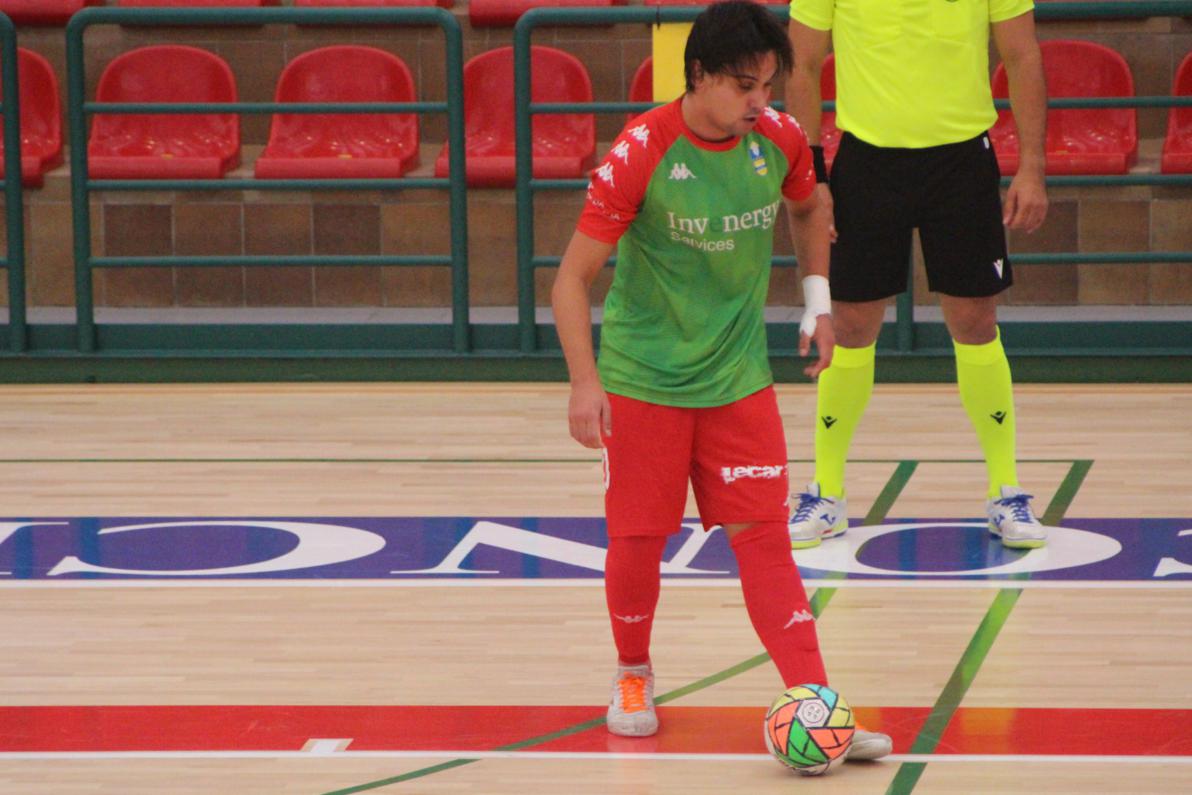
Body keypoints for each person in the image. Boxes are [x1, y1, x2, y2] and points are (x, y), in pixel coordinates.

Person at [551, 0, 891, 761]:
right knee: (638, 538)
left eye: (768, 85)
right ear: (699, 74)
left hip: (739, 379)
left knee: (765, 539)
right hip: (644, 379)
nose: (759, 102)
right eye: (744, 86)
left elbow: (810, 206)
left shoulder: (779, 139)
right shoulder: (642, 150)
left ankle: (816, 704)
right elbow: (570, 280)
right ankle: (632, 673)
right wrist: (584, 382)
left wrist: (817, 302)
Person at [785, 0, 1051, 550]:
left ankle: (1006, 491)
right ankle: (826, 493)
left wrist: (1032, 166)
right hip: (866, 161)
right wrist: (814, 175)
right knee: (851, 326)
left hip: (962, 162)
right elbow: (801, 64)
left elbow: (1022, 56)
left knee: (975, 322)